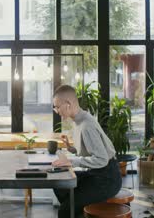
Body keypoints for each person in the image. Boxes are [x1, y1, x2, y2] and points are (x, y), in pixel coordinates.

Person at [51, 85, 122, 218]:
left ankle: (73, 210)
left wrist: (71, 161)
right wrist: (70, 148)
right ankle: (77, 210)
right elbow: (88, 150)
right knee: (59, 186)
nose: (56, 111)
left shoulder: (86, 125)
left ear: (68, 104)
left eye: (57, 106)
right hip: (97, 173)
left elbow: (101, 159)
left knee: (65, 210)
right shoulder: (78, 120)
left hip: (107, 178)